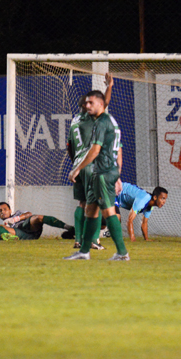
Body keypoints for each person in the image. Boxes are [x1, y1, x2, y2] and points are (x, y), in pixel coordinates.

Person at [66, 90, 127, 260]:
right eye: (86, 103)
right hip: (98, 169)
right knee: (91, 209)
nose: (87, 106)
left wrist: (77, 168)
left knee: (105, 210)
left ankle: (122, 252)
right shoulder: (105, 120)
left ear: (101, 104)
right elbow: (117, 149)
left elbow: (95, 150)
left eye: (91, 103)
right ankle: (85, 251)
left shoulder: (98, 122)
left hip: (100, 169)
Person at [0, 202, 73, 241]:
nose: (2, 212)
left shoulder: (18, 214)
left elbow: (29, 214)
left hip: (30, 229)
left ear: (10, 210)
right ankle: (11, 238)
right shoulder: (4, 225)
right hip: (20, 234)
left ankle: (68, 227)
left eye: (5, 209)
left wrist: (15, 219)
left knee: (37, 217)